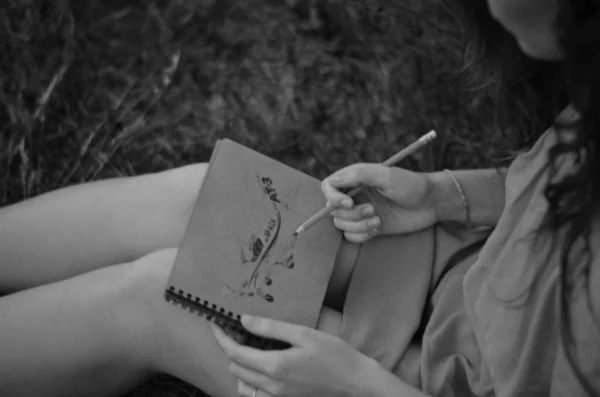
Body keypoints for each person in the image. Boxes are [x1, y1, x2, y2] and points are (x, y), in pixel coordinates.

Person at [0, 1, 598, 397]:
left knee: (158, 301)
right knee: (207, 201)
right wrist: (444, 197)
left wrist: (359, 387)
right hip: (466, 279)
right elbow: (565, 185)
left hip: (430, 384)